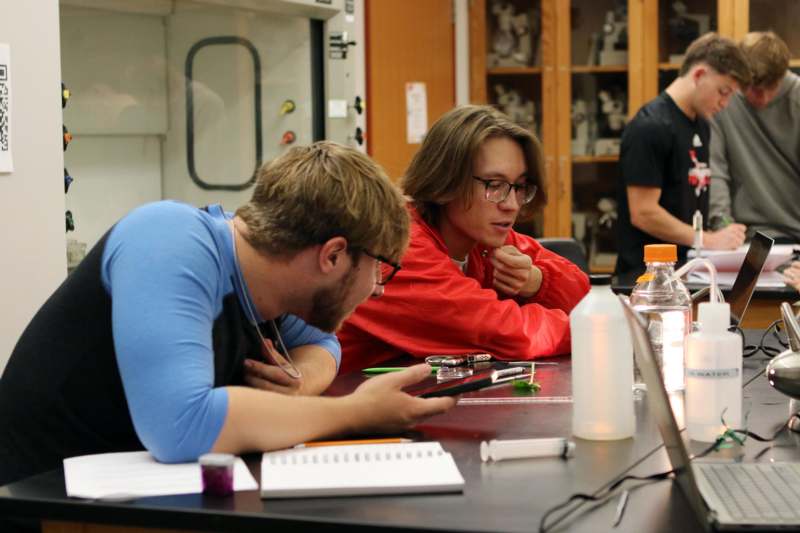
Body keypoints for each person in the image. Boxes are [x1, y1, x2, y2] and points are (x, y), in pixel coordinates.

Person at [0, 141, 455, 488]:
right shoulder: (168, 239)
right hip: (40, 504)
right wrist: (356, 412)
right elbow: (183, 426)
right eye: (380, 267)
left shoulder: (269, 285)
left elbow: (323, 344)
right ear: (333, 255)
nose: (377, 289)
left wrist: (300, 385)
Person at [337, 105, 590, 374]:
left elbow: (587, 298)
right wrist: (600, 327)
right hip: (337, 404)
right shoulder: (398, 245)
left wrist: (538, 282)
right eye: (494, 185)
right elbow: (508, 333)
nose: (512, 204)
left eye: (519, 187)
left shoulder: (481, 236)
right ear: (446, 181)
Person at [615, 33, 752, 277]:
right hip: (646, 278)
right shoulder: (650, 126)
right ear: (699, 75)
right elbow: (643, 213)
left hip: (687, 269)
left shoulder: (702, 125)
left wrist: (720, 230)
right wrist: (707, 240)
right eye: (723, 91)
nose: (725, 103)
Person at [709, 32, 800, 243]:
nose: (763, 98)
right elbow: (716, 170)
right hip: (745, 236)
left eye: (771, 88)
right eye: (753, 89)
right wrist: (723, 226)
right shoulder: (722, 101)